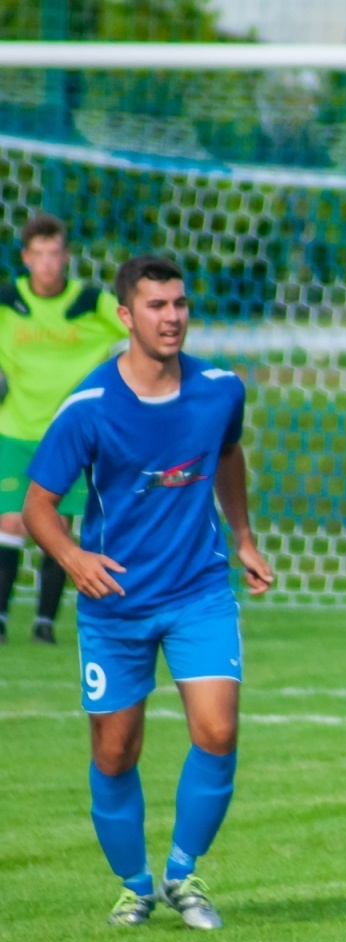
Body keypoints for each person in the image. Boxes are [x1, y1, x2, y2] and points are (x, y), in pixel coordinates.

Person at [23, 256, 273, 929]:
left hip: (198, 591)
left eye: (180, 305)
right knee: (114, 751)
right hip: (116, 605)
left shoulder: (221, 390)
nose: (172, 318)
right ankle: (134, 885)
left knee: (218, 731)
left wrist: (243, 535)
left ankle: (184, 876)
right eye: (157, 307)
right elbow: (39, 503)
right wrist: (74, 558)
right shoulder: (90, 407)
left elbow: (227, 454)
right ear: (126, 316)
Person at [0, 213, 126, 644]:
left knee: (58, 527)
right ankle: (0, 619)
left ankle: (44, 624)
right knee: (11, 522)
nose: (48, 263)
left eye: (55, 254)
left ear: (66, 257)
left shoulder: (89, 302)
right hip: (15, 430)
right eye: (39, 255)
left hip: (72, 436)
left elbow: (138, 325)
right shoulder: (7, 301)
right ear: (26, 258)